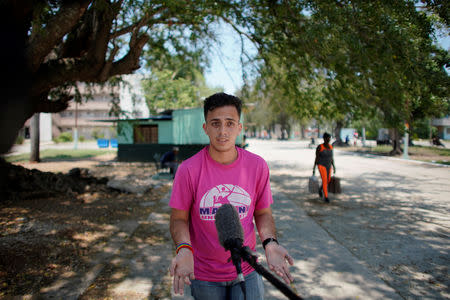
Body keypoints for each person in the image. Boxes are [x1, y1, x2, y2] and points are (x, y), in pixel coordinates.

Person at [169, 93, 294, 299]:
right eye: (215, 123)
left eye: (229, 123)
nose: (223, 131)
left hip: (247, 267)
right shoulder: (188, 170)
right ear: (205, 128)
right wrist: (184, 248)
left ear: (239, 127)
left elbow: (262, 213)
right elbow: (178, 219)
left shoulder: (257, 166)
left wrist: (270, 242)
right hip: (203, 274)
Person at [313, 132, 336, 203]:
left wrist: (334, 166)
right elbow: (316, 158)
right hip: (321, 165)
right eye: (327, 138)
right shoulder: (320, 147)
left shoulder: (331, 147)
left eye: (329, 138)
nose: (328, 139)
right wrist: (313, 168)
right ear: (324, 138)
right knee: (325, 180)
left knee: (328, 180)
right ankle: (326, 196)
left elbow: (332, 158)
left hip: (329, 165)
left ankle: (320, 189)